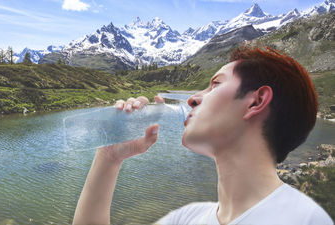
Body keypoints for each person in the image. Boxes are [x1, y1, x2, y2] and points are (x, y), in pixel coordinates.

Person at [72, 46, 333, 225]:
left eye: (215, 85)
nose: (193, 98)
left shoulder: (305, 220)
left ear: (256, 102)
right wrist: (108, 158)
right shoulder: (187, 217)